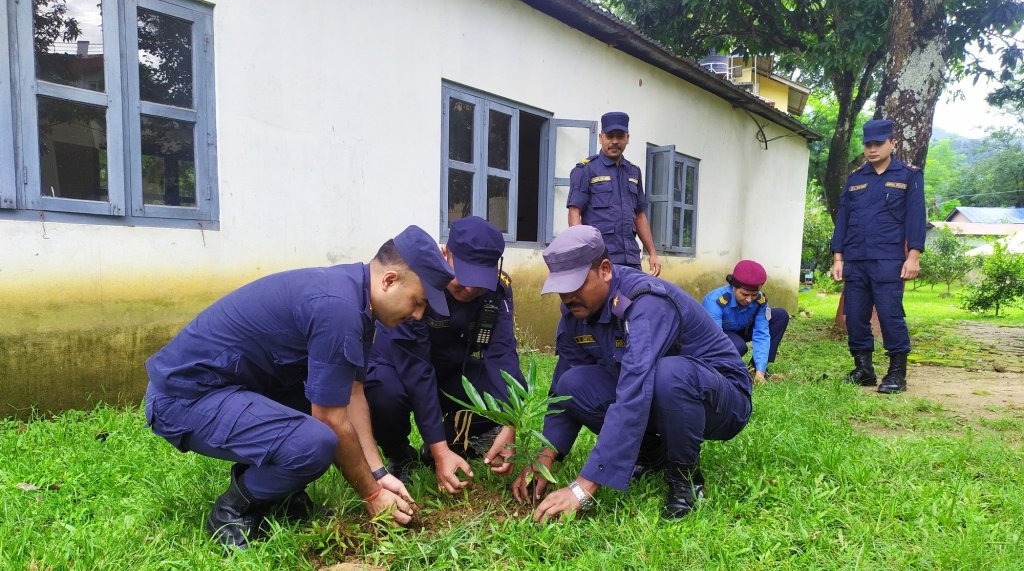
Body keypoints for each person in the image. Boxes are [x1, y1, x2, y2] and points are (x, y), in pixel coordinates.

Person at [144, 225, 455, 548]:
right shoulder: (339, 309)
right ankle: (231, 511)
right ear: (389, 280)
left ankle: (283, 495)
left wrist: (378, 475)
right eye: (417, 302)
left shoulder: (357, 298)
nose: (418, 315)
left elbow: (352, 393)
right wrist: (372, 495)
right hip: (181, 399)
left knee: (326, 396)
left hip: (227, 388)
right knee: (315, 442)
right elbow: (331, 419)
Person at [512, 225, 751, 521]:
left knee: (670, 374)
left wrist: (583, 487)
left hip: (723, 399)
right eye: (562, 288)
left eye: (576, 285)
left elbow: (634, 388)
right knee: (572, 383)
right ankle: (651, 454)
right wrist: (545, 456)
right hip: (663, 395)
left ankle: (685, 478)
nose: (568, 296)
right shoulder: (576, 313)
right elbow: (563, 385)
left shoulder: (645, 302)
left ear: (605, 270)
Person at [365, 216, 524, 494]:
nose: (470, 289)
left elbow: (502, 352)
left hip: (453, 369)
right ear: (445, 254)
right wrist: (440, 450)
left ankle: (450, 443)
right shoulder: (420, 281)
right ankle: (401, 455)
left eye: (479, 280)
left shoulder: (498, 288)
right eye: (463, 276)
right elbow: (417, 370)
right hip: (402, 366)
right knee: (382, 394)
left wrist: (510, 421)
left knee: (490, 394)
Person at [830, 118, 926, 394]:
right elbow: (843, 220)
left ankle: (897, 373)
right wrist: (838, 258)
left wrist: (914, 255)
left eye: (878, 144)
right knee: (855, 315)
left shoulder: (908, 176)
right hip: (856, 260)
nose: (872, 149)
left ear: (892, 143)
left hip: (889, 259)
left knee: (890, 315)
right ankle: (864, 369)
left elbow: (916, 217)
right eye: (867, 144)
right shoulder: (856, 179)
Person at [567, 111, 661, 276]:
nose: (615, 141)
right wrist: (583, 253)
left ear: (627, 138)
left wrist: (652, 253)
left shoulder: (633, 172)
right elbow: (574, 213)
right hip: (600, 258)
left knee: (637, 293)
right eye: (610, 136)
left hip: (631, 259)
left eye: (620, 136)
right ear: (601, 137)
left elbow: (640, 216)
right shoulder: (586, 170)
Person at [702, 260, 790, 385]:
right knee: (739, 346)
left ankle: (756, 368)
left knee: (780, 316)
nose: (749, 299)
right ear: (734, 287)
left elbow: (761, 333)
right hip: (721, 333)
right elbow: (714, 340)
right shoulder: (714, 301)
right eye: (744, 294)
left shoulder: (760, 300)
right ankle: (724, 369)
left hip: (744, 328)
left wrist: (760, 372)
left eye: (754, 295)